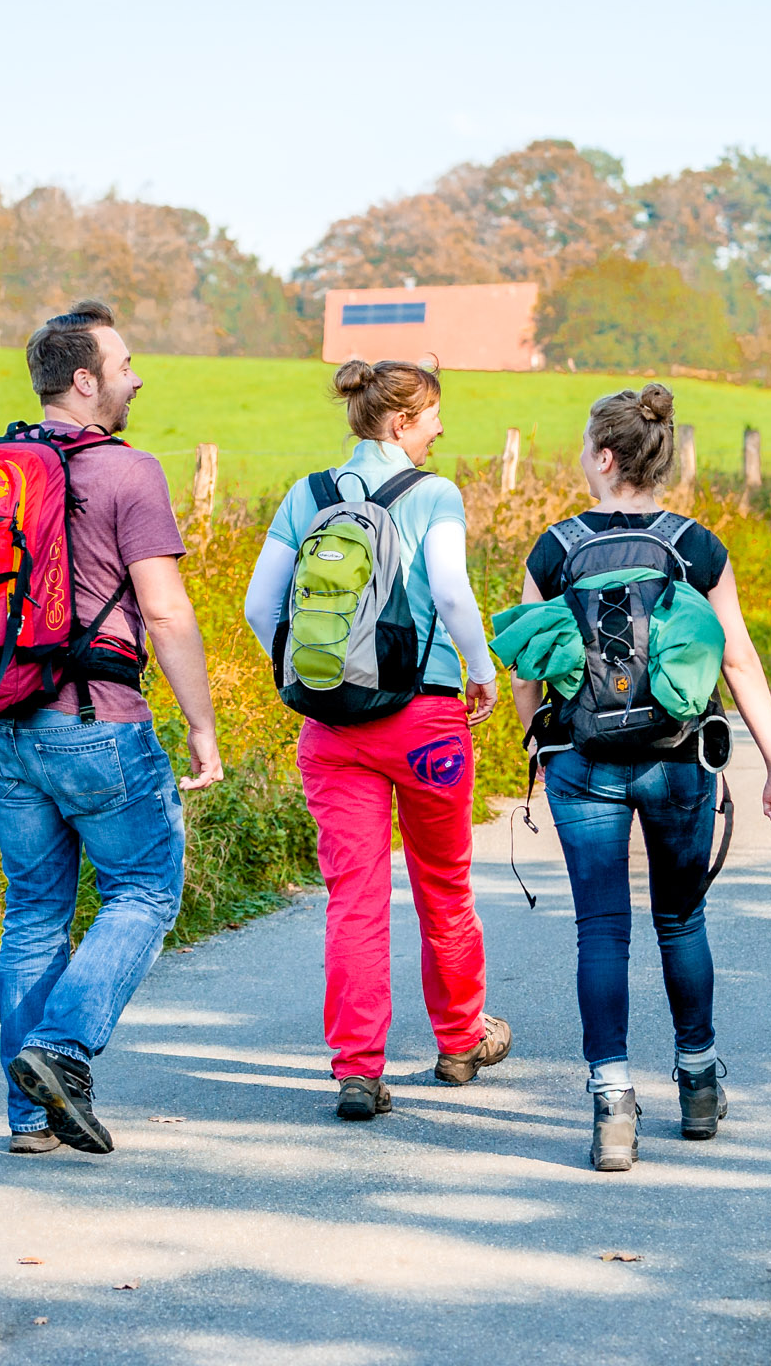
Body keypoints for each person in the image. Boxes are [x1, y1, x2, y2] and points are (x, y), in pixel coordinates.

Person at [507, 383, 771, 1173]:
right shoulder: (697, 548)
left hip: (582, 763)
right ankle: (699, 1087)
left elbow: (529, 663)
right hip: (679, 761)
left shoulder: (554, 549)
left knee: (601, 930)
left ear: (605, 458)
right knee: (681, 922)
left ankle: (613, 1112)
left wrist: (532, 736)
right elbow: (736, 658)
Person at [0, 300, 226, 1156]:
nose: (136, 378)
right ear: (85, 380)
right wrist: (201, 724)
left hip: (3, 723)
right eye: (124, 366)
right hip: (98, 720)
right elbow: (164, 611)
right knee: (146, 889)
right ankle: (62, 1051)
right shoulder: (130, 473)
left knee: (35, 911)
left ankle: (28, 1118)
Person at [243, 359, 510, 1122]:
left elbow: (261, 605)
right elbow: (452, 592)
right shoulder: (434, 495)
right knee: (444, 884)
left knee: (353, 899)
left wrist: (311, 673)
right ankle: (460, 1043)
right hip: (425, 718)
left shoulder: (308, 494)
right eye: (431, 417)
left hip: (332, 727)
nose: (438, 430)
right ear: (401, 422)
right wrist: (480, 670)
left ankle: (358, 1070)